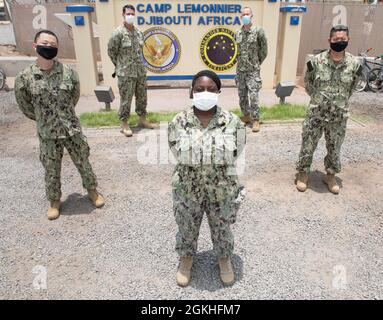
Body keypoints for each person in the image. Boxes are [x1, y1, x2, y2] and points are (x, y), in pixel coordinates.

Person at [14, 30, 105, 220]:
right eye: (45, 43)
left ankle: (92, 192)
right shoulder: (24, 78)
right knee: (51, 168)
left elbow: (74, 97)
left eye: (53, 45)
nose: (48, 47)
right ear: (35, 45)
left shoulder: (69, 73)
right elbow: (25, 106)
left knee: (83, 162)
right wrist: (43, 118)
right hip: (47, 133)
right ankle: (54, 201)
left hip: (71, 129)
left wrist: (63, 115)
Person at [168, 70, 246, 287]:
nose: (205, 93)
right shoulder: (179, 121)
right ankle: (186, 259)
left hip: (221, 189)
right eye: (200, 89)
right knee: (186, 226)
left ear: (219, 92)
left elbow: (234, 153)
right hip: (187, 189)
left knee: (222, 228)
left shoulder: (233, 122)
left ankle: (224, 259)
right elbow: (178, 153)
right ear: (191, 92)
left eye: (211, 89)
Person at [295, 25, 362, 194]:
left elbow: (353, 87)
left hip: (338, 115)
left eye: (343, 39)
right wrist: (320, 100)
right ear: (329, 40)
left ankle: (330, 175)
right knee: (308, 144)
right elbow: (308, 84)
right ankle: (303, 173)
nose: (340, 42)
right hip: (316, 113)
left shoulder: (354, 64)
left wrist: (338, 102)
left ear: (348, 40)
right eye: (336, 39)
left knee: (334, 147)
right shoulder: (315, 62)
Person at [107, 4, 155, 137]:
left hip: (139, 72)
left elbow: (140, 51)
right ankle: (124, 124)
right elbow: (111, 51)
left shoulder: (138, 32)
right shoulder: (118, 33)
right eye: (128, 14)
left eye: (132, 14)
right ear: (123, 15)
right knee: (126, 100)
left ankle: (142, 119)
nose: (130, 16)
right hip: (126, 73)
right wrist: (120, 65)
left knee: (142, 97)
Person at [235, 6, 268, 133]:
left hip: (253, 70)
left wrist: (257, 62)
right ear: (241, 17)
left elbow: (264, 50)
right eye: (243, 14)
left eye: (247, 14)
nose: (245, 16)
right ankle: (246, 115)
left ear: (252, 16)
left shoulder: (258, 31)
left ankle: (255, 119)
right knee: (242, 95)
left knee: (253, 95)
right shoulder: (238, 33)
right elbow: (237, 51)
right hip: (240, 70)